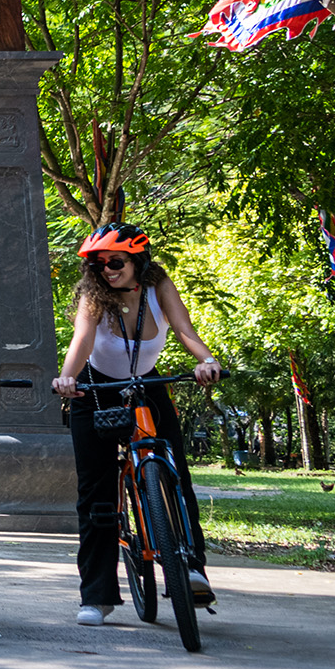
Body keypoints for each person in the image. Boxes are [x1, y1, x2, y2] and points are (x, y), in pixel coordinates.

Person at [52, 223, 222, 626]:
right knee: (96, 491)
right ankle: (97, 595)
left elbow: (184, 330)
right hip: (92, 390)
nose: (107, 270)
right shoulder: (94, 294)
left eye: (116, 262)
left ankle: (192, 567)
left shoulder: (157, 283)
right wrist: (66, 377)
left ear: (137, 261)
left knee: (177, 476)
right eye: (98, 264)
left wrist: (207, 360)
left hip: (146, 385)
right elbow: (83, 339)